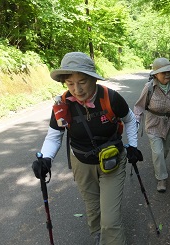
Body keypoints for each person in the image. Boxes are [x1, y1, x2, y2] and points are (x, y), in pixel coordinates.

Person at [31, 52, 143, 245]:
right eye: (70, 83)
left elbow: (130, 120)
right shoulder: (62, 104)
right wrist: (46, 158)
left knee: (111, 218)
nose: (77, 89)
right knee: (93, 208)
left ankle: (111, 237)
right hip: (81, 162)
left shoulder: (111, 97)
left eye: (82, 81)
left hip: (112, 161)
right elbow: (55, 134)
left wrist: (132, 146)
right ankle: (98, 235)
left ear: (93, 78)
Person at [133, 57, 170, 193]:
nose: (167, 74)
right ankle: (162, 178)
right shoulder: (149, 87)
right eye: (164, 72)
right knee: (157, 152)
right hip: (153, 123)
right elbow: (139, 106)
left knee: (165, 150)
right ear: (155, 74)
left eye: (169, 71)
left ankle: (159, 166)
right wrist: (136, 120)